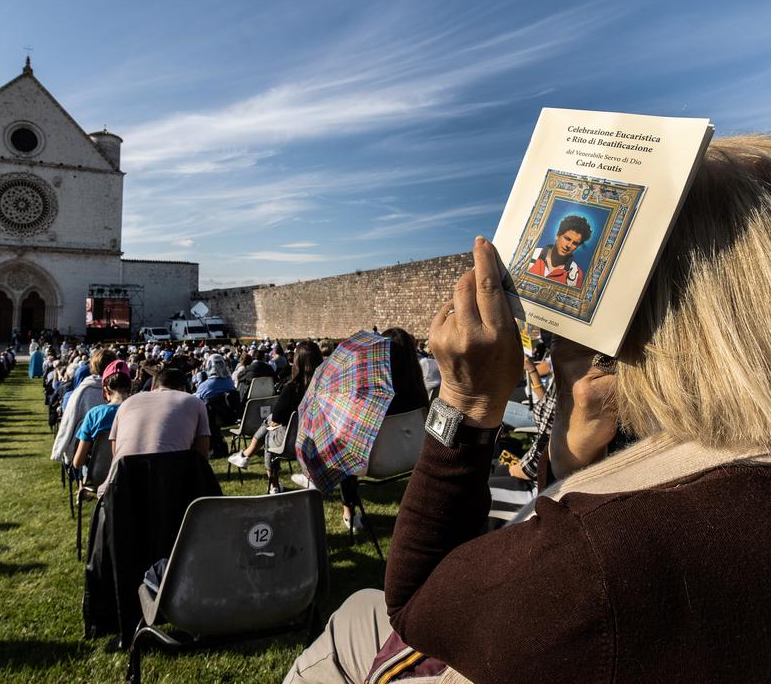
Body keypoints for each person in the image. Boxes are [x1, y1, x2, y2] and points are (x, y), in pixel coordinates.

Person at [284, 136, 771, 684]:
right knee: (356, 612)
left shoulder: (590, 563)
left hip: (480, 633)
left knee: (348, 629)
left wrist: (465, 404)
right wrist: (571, 459)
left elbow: (417, 610)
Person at [228, 340, 323, 493]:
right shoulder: (326, 388)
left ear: (297, 361)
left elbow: (277, 419)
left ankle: (271, 482)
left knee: (269, 431)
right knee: (270, 424)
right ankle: (246, 456)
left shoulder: (292, 389)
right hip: (319, 440)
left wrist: (272, 423)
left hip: (293, 442)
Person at [99, 367, 209, 495]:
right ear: (183, 388)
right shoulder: (194, 402)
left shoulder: (127, 404)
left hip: (121, 492)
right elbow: (202, 457)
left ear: (153, 387)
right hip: (174, 491)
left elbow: (115, 452)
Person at [70, 363, 132, 478]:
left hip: (99, 476)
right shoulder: (137, 411)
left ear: (105, 390)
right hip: (129, 474)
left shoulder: (94, 415)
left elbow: (77, 462)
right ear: (130, 388)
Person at [527, 213, 592, 288]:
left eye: (575, 243)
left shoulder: (576, 275)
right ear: (557, 235)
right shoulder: (532, 254)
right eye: (567, 238)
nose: (569, 245)